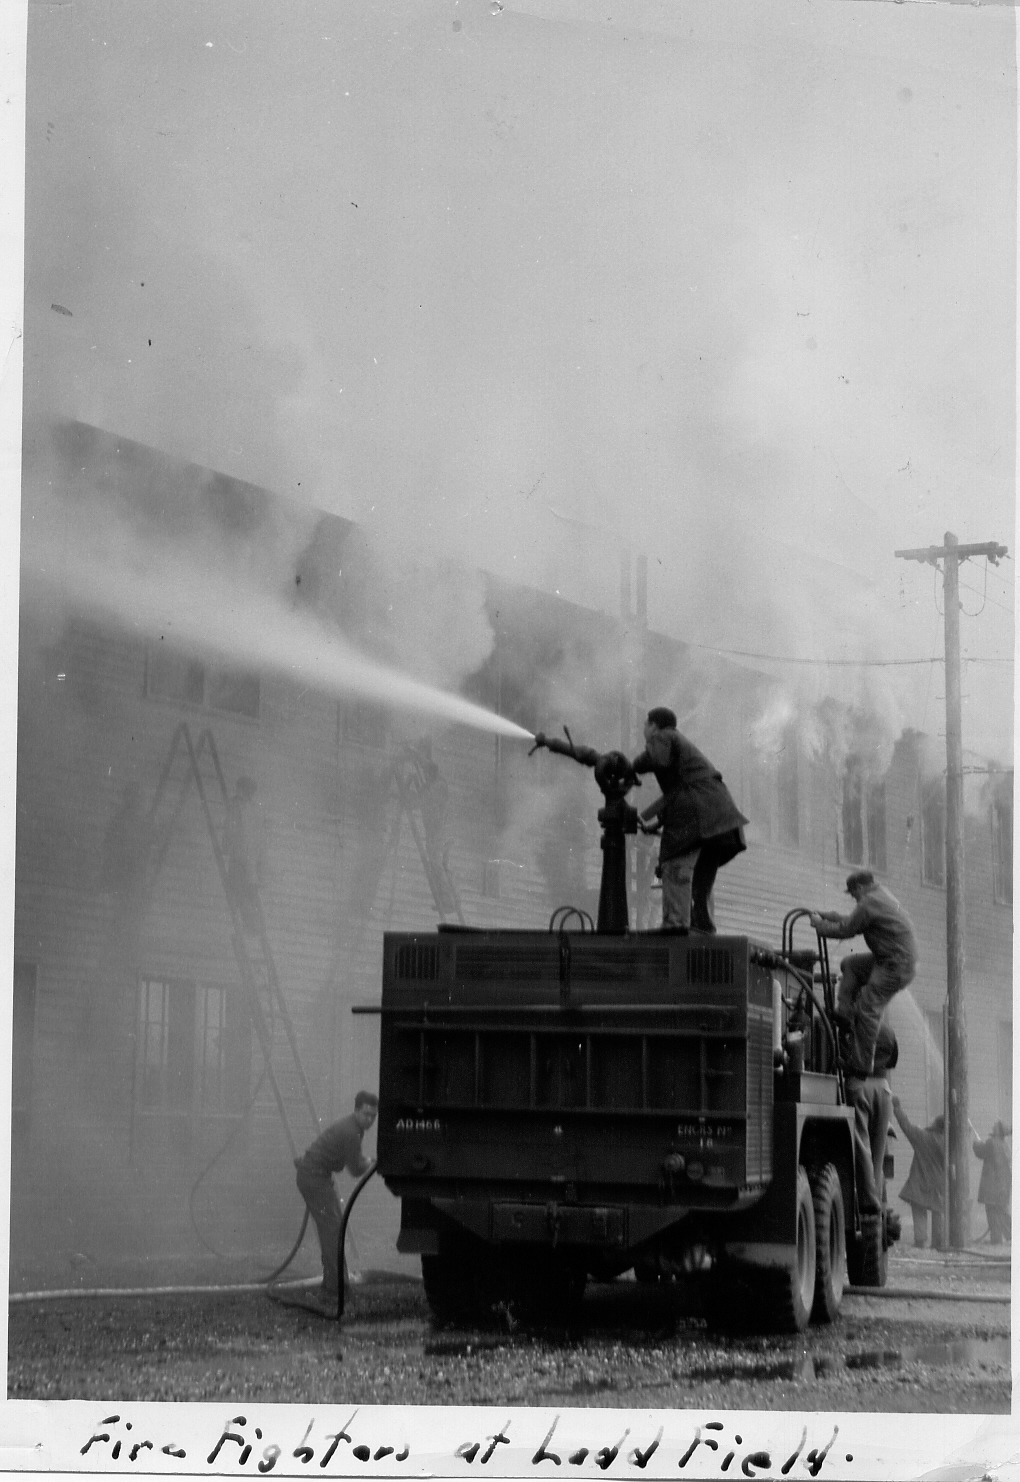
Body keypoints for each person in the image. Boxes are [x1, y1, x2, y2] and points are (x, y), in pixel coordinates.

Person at [631, 707, 748, 933]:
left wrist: (630, 767)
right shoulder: (685, 752)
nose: (644, 730)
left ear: (653, 725)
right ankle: (702, 925)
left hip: (698, 816)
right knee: (701, 875)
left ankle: (675, 924)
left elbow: (655, 760)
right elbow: (679, 791)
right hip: (719, 818)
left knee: (675, 863)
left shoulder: (663, 736)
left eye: (645, 725)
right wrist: (655, 823)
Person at [809, 870, 917, 1079]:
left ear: (859, 888)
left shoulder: (869, 902)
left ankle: (860, 1066)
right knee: (851, 965)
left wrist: (820, 925)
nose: (854, 898)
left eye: (853, 894)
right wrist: (826, 916)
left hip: (895, 964)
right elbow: (852, 921)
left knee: (868, 1009)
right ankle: (844, 1012)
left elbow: (846, 929)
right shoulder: (878, 896)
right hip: (892, 960)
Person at [291, 1091, 379, 1315]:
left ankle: (336, 1285)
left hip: (314, 1175)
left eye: (373, 1116)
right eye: (366, 1114)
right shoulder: (351, 1132)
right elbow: (356, 1169)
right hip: (314, 1177)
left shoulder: (352, 1128)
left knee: (333, 1230)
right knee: (333, 1231)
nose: (369, 1120)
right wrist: (372, 1162)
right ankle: (335, 1289)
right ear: (356, 1111)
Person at [846, 1019, 898, 1217]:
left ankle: (868, 1201)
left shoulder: (859, 1027)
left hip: (861, 1085)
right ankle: (875, 1207)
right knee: (878, 1151)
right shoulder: (888, 1031)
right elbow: (893, 1060)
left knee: (862, 1144)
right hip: (883, 1089)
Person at [892, 1097, 945, 1249]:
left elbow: (906, 1126)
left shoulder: (923, 1136)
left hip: (920, 1180)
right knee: (938, 1211)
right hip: (939, 1183)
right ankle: (938, 1242)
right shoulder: (948, 1142)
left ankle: (921, 1240)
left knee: (919, 1209)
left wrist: (897, 1108)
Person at [972, 1121, 1011, 1246]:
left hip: (992, 1186)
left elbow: (981, 1152)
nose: (993, 1126)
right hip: (1003, 1186)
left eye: (995, 1125)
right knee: (1002, 1211)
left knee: (992, 1213)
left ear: (998, 1131)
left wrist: (977, 1143)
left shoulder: (991, 1142)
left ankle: (997, 1239)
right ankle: (1010, 1236)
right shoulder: (1005, 1145)